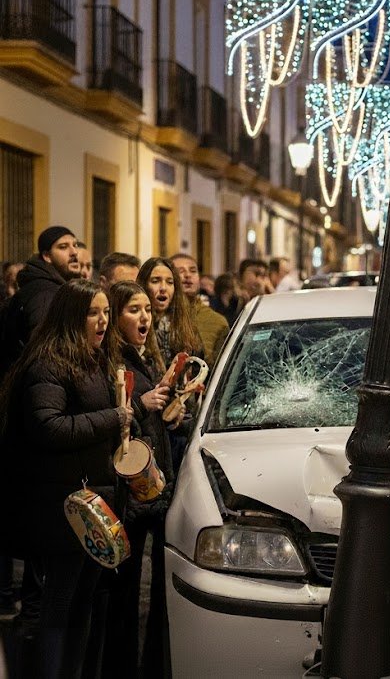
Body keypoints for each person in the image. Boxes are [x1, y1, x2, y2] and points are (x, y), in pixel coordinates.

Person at [0, 280, 130, 679]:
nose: (103, 320)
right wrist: (114, 418)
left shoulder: (93, 360)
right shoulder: (49, 363)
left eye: (106, 311)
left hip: (92, 498)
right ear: (71, 316)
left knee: (83, 602)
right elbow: (48, 426)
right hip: (61, 506)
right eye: (93, 312)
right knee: (59, 603)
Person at [101, 281, 175, 678]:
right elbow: (113, 422)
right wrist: (143, 406)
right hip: (125, 492)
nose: (144, 316)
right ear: (116, 314)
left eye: (147, 308)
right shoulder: (112, 359)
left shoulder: (145, 355)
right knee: (123, 591)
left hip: (148, 485)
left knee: (134, 591)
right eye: (133, 309)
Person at [138, 257, 204, 472]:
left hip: (182, 425)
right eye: (156, 280)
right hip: (149, 425)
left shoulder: (184, 326)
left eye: (169, 281)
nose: (163, 288)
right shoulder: (136, 328)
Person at [0, 226, 81, 374]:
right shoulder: (46, 294)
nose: (74, 252)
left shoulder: (48, 287)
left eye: (75, 245)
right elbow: (44, 352)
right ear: (47, 256)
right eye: (63, 247)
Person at [170, 254, 229, 363]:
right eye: (180, 271)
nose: (187, 275)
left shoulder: (217, 321)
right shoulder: (161, 317)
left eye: (193, 271)